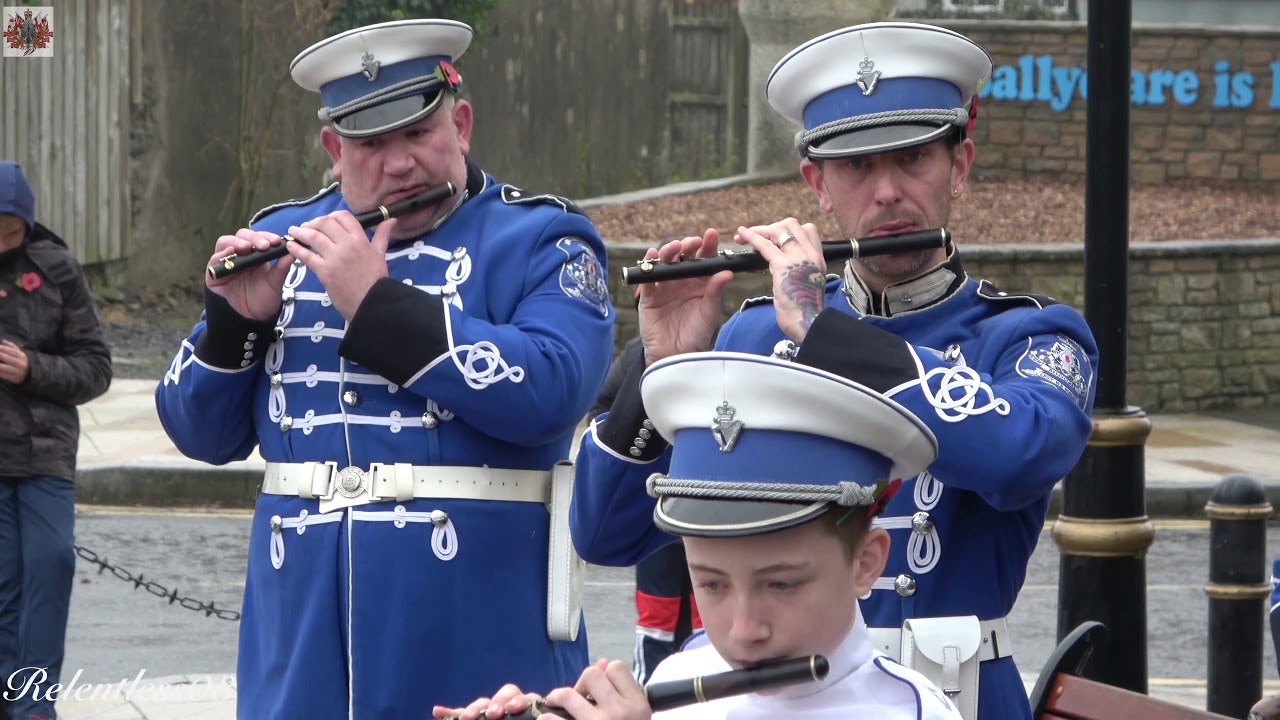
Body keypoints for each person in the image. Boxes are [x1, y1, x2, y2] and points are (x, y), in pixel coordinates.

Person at [569, 22, 1099, 720]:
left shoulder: (1028, 337)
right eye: (855, 167)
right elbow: (607, 534)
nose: (885, 193)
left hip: (953, 696)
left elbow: (1020, 455)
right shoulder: (752, 333)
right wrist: (663, 366)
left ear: (959, 166)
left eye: (912, 159)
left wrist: (825, 330)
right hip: (765, 697)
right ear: (817, 183)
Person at [154, 19, 614, 718]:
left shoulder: (542, 237)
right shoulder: (289, 238)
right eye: (371, 144)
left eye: (418, 135)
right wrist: (234, 323)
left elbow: (554, 389)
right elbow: (198, 434)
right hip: (300, 648)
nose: (400, 165)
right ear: (334, 150)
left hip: (481, 649)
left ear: (460, 125)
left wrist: (375, 304)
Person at [439, 351, 960, 720]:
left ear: (867, 562)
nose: (742, 630)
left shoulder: (910, 711)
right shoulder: (675, 683)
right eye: (711, 584)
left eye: (781, 585)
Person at [0, 160, 113, 720]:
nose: (1, 240)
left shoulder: (57, 269)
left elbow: (95, 368)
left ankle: (33, 704)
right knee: (4, 580)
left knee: (51, 562)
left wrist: (31, 369)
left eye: (10, 229)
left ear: (27, 222)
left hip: (44, 453)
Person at [589, 335, 701, 684]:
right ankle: (652, 691)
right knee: (658, 616)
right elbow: (603, 412)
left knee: (710, 611)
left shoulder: (723, 343)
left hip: (704, 505)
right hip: (657, 503)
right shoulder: (638, 352)